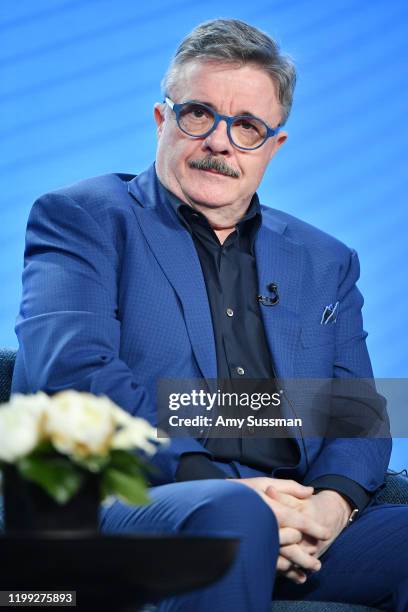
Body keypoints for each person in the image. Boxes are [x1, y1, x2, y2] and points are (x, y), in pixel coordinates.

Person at [11, 18, 408, 612]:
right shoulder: (83, 218)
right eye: (198, 114)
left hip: (299, 524)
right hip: (124, 506)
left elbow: (357, 411)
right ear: (161, 120)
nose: (220, 142)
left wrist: (327, 508)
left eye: (247, 126)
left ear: (274, 147)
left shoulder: (326, 260)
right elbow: (72, 374)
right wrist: (232, 494)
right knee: (233, 516)